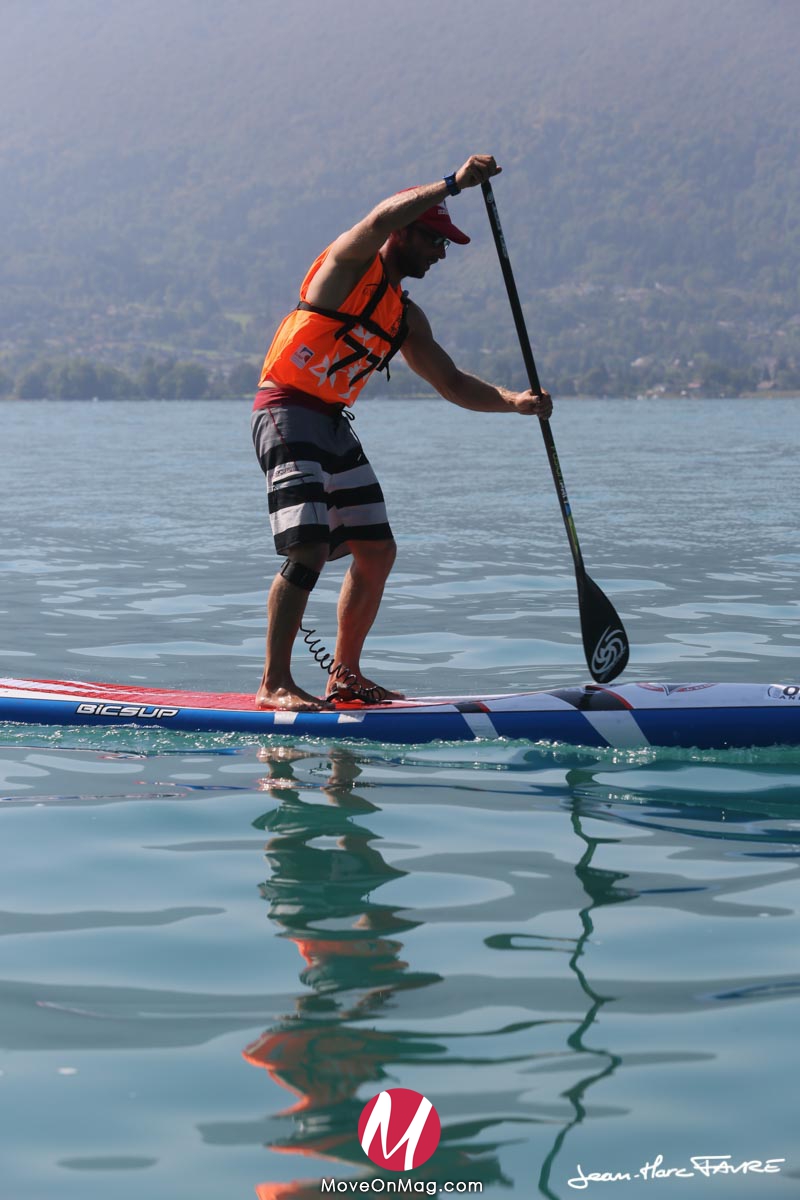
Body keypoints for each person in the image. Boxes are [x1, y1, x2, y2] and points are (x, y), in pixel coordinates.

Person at [251, 153, 553, 711]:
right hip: (287, 410)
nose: (442, 255)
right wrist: (451, 184)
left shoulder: (405, 317)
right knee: (310, 549)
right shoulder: (347, 267)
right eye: (435, 242)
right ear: (406, 235)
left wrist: (515, 402)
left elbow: (453, 382)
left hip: (333, 424)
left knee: (377, 551)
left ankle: (345, 677)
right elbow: (377, 219)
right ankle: (273, 682)